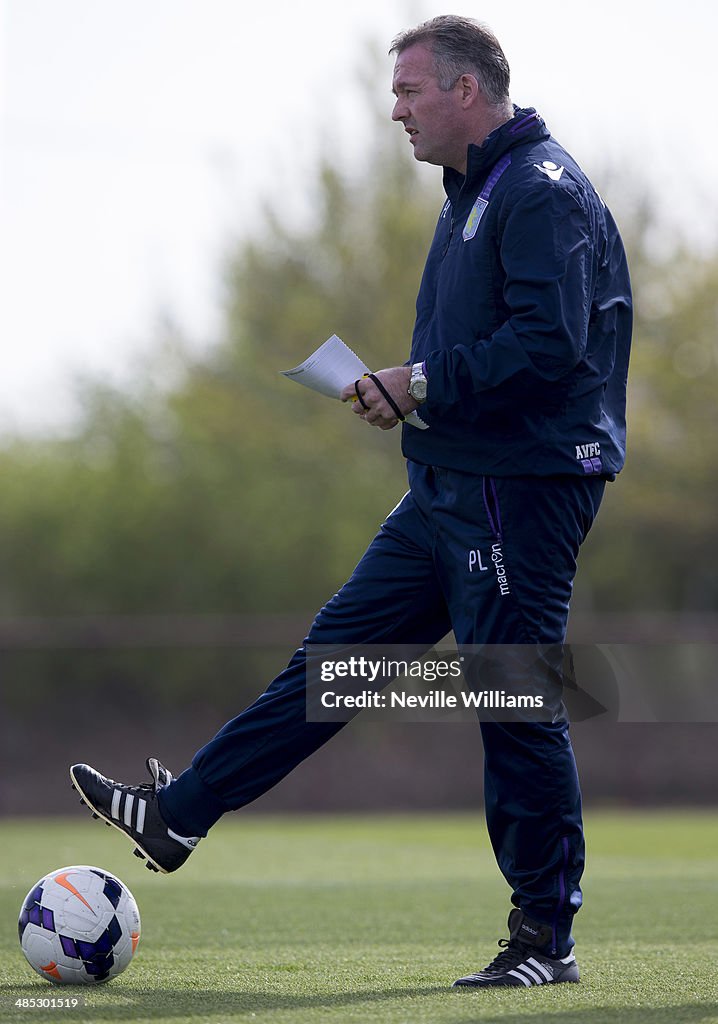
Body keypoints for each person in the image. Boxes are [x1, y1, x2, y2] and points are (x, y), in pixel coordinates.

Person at [70, 15, 632, 989]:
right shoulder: (473, 192)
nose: (396, 110)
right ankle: (180, 814)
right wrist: (403, 389)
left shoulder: (537, 190)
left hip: (520, 484)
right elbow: (472, 358)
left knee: (510, 693)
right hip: (450, 478)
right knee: (337, 661)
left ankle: (546, 935)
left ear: (465, 91)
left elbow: (551, 345)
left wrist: (419, 381)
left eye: (410, 91)